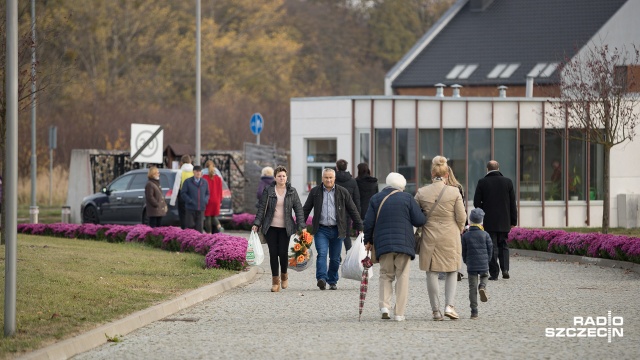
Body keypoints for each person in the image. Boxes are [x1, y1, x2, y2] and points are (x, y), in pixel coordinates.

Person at [363, 173, 425, 322]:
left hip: (383, 243)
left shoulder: (376, 198)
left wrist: (368, 240)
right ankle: (399, 313)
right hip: (404, 244)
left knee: (385, 274)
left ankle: (385, 306)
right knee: (402, 276)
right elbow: (419, 220)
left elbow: (368, 222)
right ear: (401, 186)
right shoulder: (407, 198)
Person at [415, 156, 466, 320]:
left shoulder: (422, 192)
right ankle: (449, 306)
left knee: (431, 272)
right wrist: (457, 230)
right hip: (450, 234)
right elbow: (462, 217)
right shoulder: (454, 191)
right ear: (446, 174)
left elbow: (415, 215)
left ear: (432, 174)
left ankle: (435, 310)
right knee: (452, 270)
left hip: (429, 234)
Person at [303, 168, 363, 291]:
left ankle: (332, 280)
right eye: (326, 177)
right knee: (322, 254)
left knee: (335, 258)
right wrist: (300, 225)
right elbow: (306, 209)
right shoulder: (315, 192)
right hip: (321, 230)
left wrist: (360, 226)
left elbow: (352, 209)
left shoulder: (342, 192)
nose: (329, 180)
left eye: (331, 177)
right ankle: (322, 279)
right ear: (322, 178)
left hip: (337, 230)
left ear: (334, 178)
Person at [252, 166, 306, 292]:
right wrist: (257, 223)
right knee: (273, 254)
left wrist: (301, 226)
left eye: (283, 176)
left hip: (286, 228)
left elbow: (298, 210)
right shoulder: (269, 190)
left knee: (283, 253)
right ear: (275, 177)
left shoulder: (292, 191)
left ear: (287, 177)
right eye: (279, 176)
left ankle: (284, 275)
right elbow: (261, 208)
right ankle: (275, 282)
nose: (282, 178)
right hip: (270, 227)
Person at [473, 160, 517, 281]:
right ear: (498, 168)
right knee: (503, 244)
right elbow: (512, 203)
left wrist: (481, 215)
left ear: (487, 169)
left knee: (491, 246)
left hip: (489, 220)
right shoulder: (508, 182)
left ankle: (494, 273)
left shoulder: (482, 182)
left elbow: (477, 203)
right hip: (505, 220)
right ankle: (505, 270)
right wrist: (513, 221)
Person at [461, 208, 493, 319]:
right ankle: (483, 286)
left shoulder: (466, 236)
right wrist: (487, 260)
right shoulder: (485, 235)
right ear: (481, 221)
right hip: (483, 263)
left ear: (470, 220)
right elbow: (490, 249)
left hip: (471, 265)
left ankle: (474, 312)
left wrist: (466, 261)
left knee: (472, 288)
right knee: (485, 275)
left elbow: (463, 251)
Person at [335, 159, 361, 253]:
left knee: (335, 234)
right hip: (347, 212)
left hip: (334, 211)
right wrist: (357, 215)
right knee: (347, 235)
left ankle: (337, 257)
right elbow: (356, 199)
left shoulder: (332, 180)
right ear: (346, 167)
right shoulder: (352, 181)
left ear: (337, 167)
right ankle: (349, 255)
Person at [181, 165, 209, 232]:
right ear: (193, 172)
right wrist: (189, 200)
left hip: (201, 208)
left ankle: (199, 242)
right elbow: (183, 193)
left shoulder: (204, 182)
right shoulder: (187, 181)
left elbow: (207, 193)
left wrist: (205, 200)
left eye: (199, 171)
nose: (198, 173)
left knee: (199, 228)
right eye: (197, 171)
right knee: (190, 227)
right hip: (190, 208)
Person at [170, 154, 194, 229]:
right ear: (190, 161)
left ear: (182, 162)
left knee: (183, 215)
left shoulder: (180, 172)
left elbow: (176, 186)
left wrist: (172, 201)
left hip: (182, 196)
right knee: (192, 214)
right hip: (193, 195)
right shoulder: (194, 171)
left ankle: (184, 231)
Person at [203, 160, 223, 234]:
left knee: (207, 216)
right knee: (213, 216)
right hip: (216, 199)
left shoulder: (204, 177)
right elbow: (220, 191)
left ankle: (209, 233)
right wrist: (220, 200)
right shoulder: (218, 178)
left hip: (208, 199)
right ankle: (219, 226)